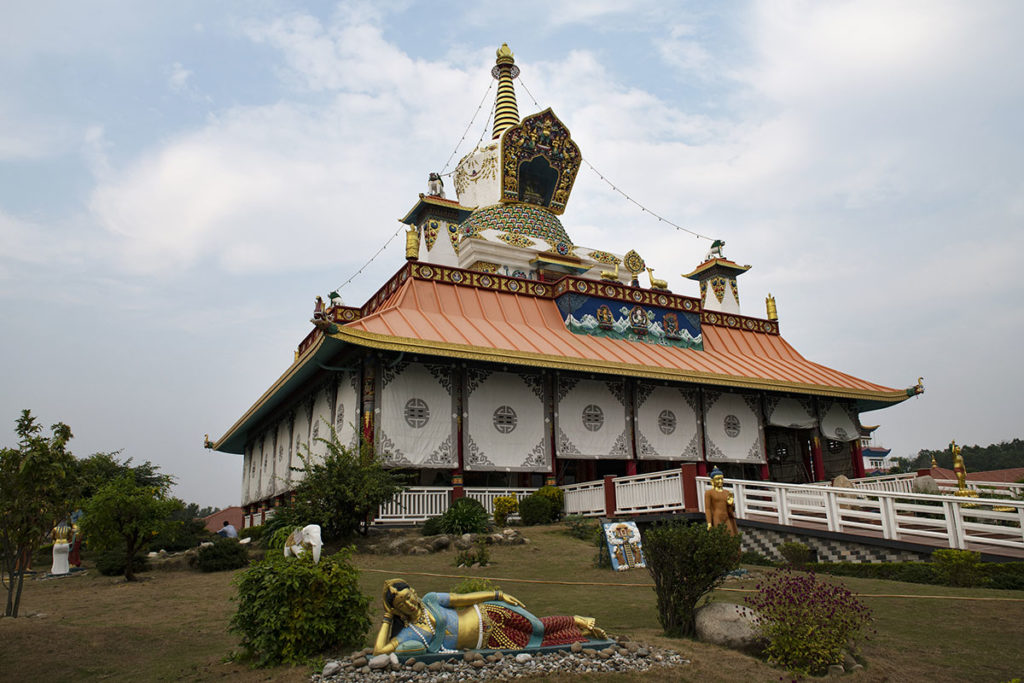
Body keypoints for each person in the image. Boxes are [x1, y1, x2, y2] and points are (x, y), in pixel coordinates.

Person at [373, 579, 606, 656]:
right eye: (402, 604)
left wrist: (497, 594)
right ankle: (577, 633)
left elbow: (464, 598)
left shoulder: (432, 599)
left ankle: (577, 621)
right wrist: (386, 617)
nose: (410, 604)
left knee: (537, 626)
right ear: (398, 611)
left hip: (489, 613)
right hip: (488, 640)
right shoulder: (409, 634)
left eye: (409, 596)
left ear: (414, 592)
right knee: (536, 643)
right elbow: (378, 652)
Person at [704, 467, 738, 535]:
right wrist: (709, 523)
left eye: (721, 479)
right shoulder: (709, 493)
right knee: (720, 535)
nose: (720, 481)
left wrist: (730, 504)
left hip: (726, 517)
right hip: (717, 517)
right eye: (717, 479)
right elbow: (707, 509)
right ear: (712, 481)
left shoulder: (727, 492)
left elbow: (731, 510)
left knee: (731, 536)